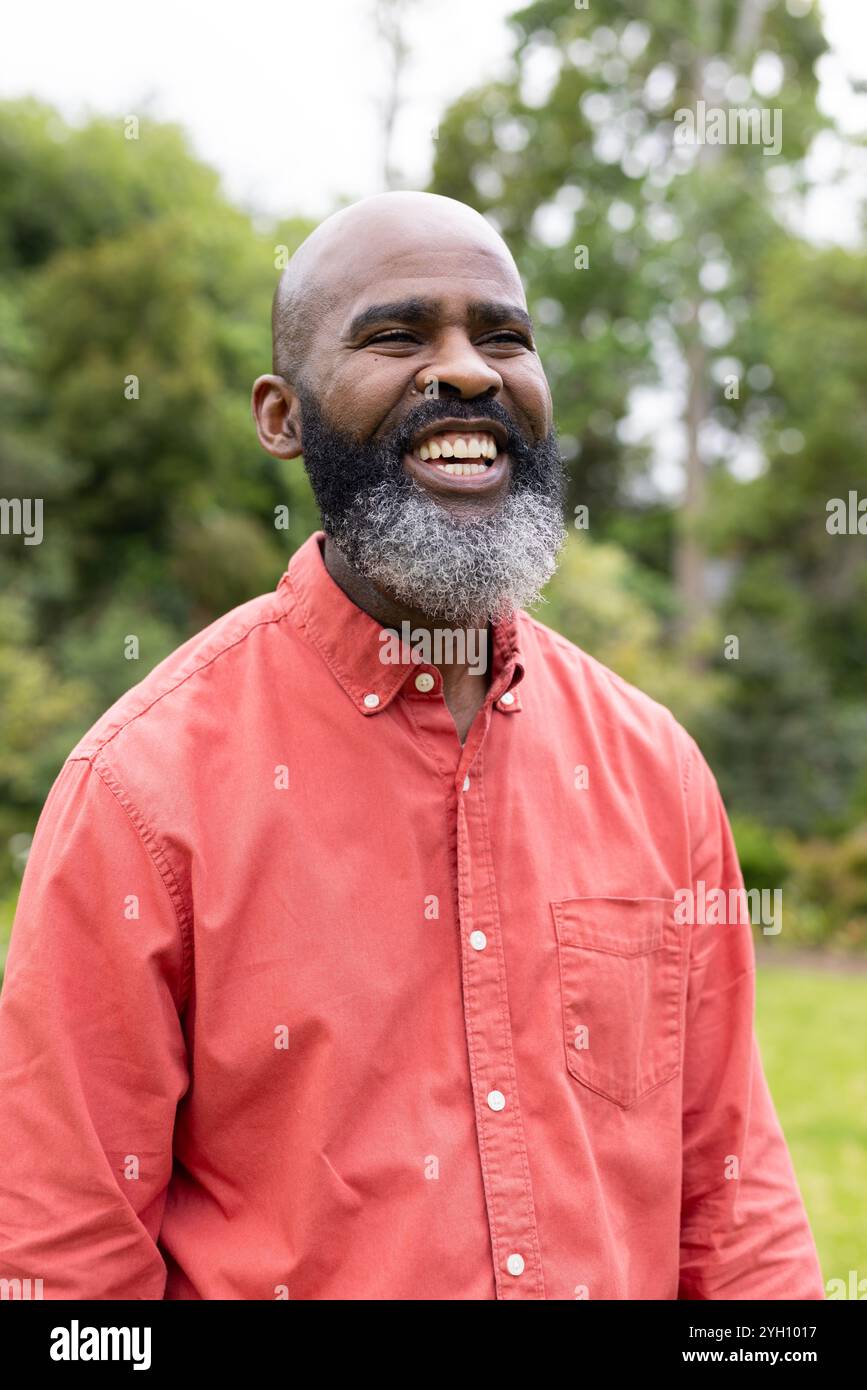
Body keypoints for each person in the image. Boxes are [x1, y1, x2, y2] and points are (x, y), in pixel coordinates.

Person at [0, 191, 824, 1300]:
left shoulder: (655, 770)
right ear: (282, 416)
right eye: (397, 335)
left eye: (504, 336)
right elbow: (62, 1265)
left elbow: (733, 1200)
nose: (471, 373)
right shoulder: (143, 794)